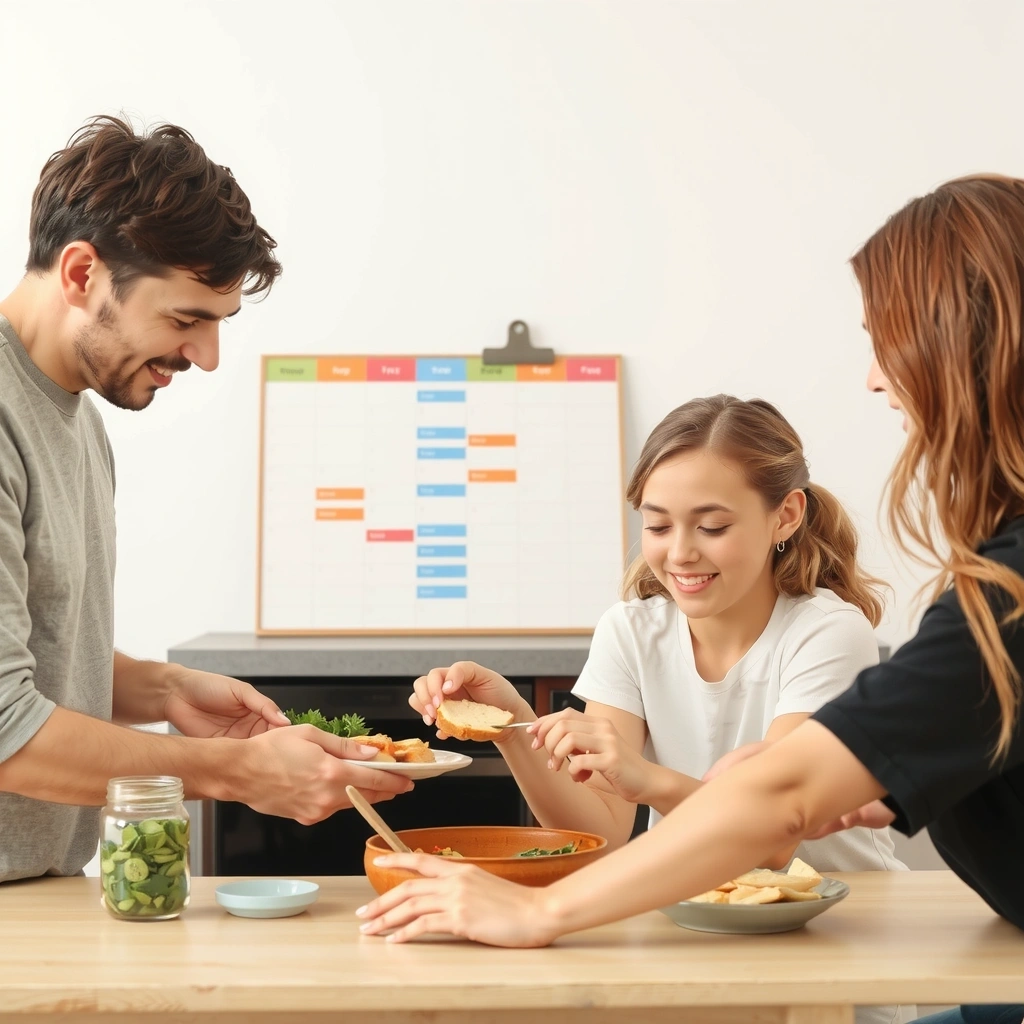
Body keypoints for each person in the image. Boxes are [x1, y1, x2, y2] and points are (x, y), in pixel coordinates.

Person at [358, 175, 1024, 1024]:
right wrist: (527, 733)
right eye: (659, 524)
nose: (871, 379)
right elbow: (642, 812)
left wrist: (537, 910)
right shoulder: (635, 629)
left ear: (965, 347)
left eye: (888, 340)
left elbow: (783, 809)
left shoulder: (964, 604)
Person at [0, 115, 410, 884]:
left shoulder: (77, 419)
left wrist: (163, 688)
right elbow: (5, 730)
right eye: (186, 319)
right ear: (82, 273)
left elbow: (32, 647)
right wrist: (236, 772)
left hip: (38, 894)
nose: (207, 356)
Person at [411, 394, 911, 1024]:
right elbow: (604, 826)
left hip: (837, 947)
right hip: (690, 935)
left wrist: (648, 779)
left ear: (785, 516)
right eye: (657, 525)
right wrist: (515, 727)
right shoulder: (630, 631)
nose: (680, 553)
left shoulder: (827, 634)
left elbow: (777, 838)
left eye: (713, 526)